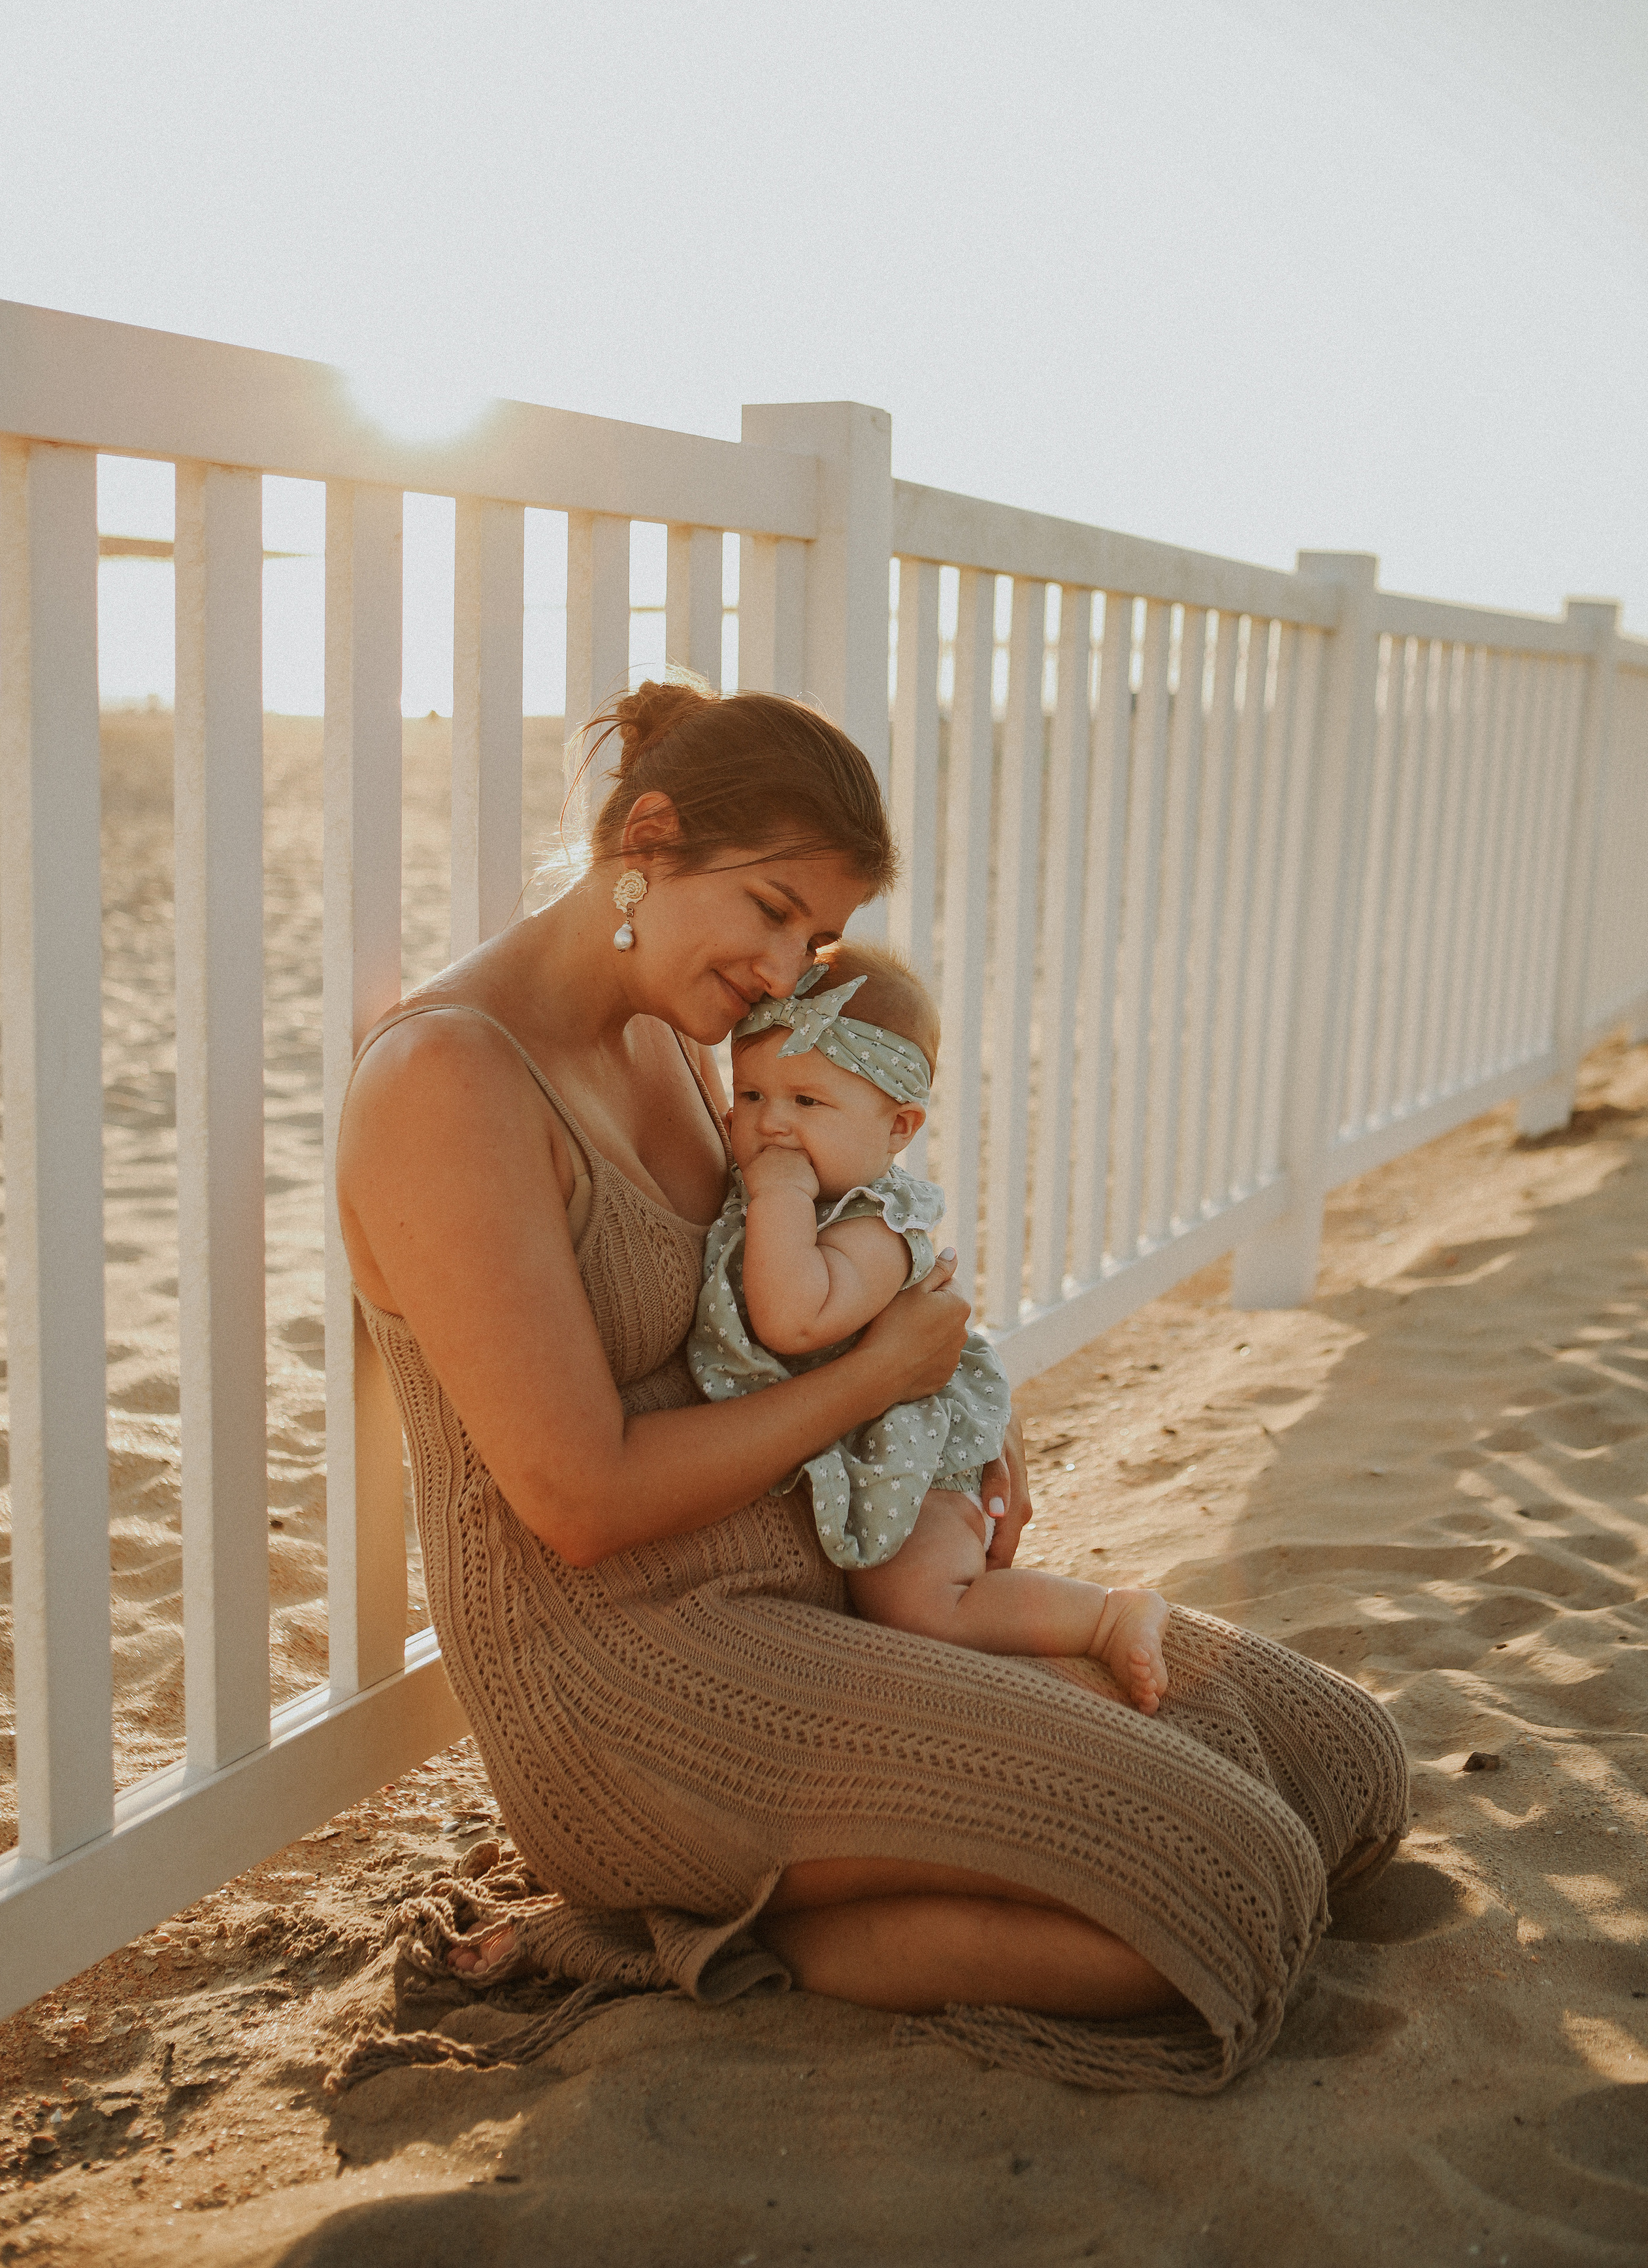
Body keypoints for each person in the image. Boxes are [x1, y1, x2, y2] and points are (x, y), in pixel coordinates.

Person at [335, 678, 1408, 2091]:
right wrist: (873, 1381)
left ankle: (853, 1862)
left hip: (826, 1601)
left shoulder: (682, 1035)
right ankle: (710, 1932)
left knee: (1338, 1762)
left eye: (817, 935)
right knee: (1232, 1881)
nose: (789, 969)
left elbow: (818, 1275)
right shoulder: (445, 1082)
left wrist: (952, 1404)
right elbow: (579, 1501)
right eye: (773, 908)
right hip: (631, 1686)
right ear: (646, 841)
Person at [689, 942, 1172, 1713]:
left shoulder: (873, 1226)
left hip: (910, 1458)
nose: (770, 1124)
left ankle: (1106, 1614)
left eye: (806, 1101)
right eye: (750, 1094)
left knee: (922, 1602)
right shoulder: (787, 1194)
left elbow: (792, 1319)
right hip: (847, 1437)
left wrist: (778, 1196)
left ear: (897, 1128)